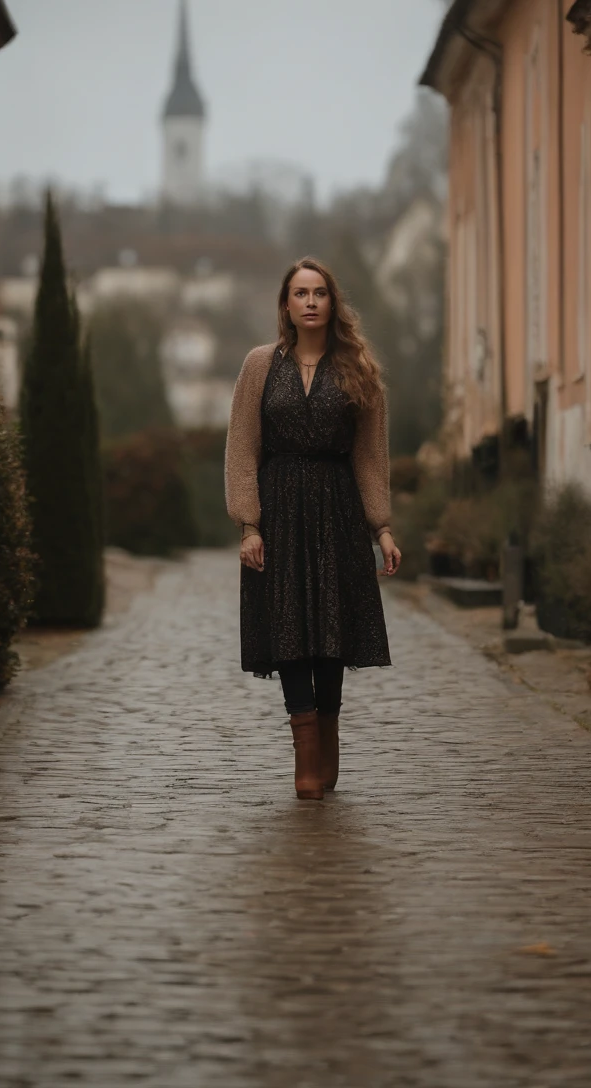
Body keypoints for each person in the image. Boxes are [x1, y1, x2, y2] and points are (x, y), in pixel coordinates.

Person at [225, 256, 401, 800]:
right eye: (299, 293)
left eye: (318, 292)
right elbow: (241, 448)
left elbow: (370, 457)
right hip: (278, 511)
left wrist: (383, 528)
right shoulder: (260, 365)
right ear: (285, 303)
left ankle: (328, 741)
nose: (309, 301)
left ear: (332, 303)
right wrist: (249, 524)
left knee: (330, 635)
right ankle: (305, 757)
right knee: (288, 633)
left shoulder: (359, 369)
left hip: (338, 512)